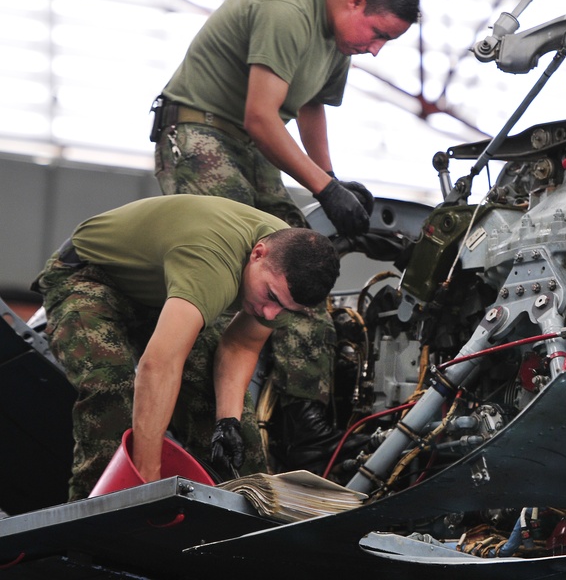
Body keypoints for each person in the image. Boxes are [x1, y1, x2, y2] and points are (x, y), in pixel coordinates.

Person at [149, 0, 420, 472]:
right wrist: (323, 188)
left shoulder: (338, 42)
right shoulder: (287, 11)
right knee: (235, 269)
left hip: (252, 148)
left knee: (303, 262)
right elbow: (260, 115)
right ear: (355, 0)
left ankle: (307, 427)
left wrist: (332, 181)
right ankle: (210, 430)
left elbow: (311, 107)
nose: (376, 49)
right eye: (378, 34)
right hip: (202, 132)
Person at [33, 195, 340, 500]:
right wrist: (147, 479)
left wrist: (227, 421)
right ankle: (93, 523)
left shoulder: (286, 265)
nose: (270, 314)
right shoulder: (211, 263)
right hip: (93, 275)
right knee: (110, 389)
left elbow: (240, 346)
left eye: (286, 309)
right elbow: (160, 365)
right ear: (257, 253)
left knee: (229, 426)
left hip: (163, 293)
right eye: (271, 297)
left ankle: (232, 533)